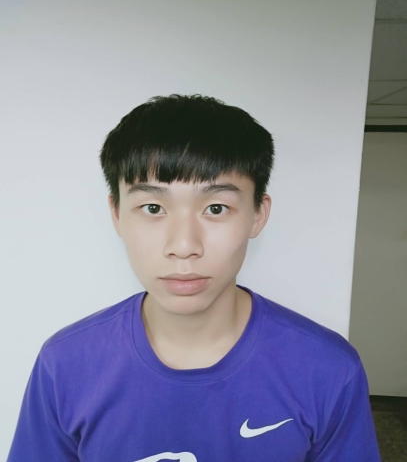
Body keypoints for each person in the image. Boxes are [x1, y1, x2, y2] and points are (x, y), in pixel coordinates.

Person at [7, 94, 381, 461]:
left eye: (216, 208)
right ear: (117, 214)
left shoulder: (327, 369)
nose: (184, 246)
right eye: (152, 207)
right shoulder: (66, 363)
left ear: (257, 214)